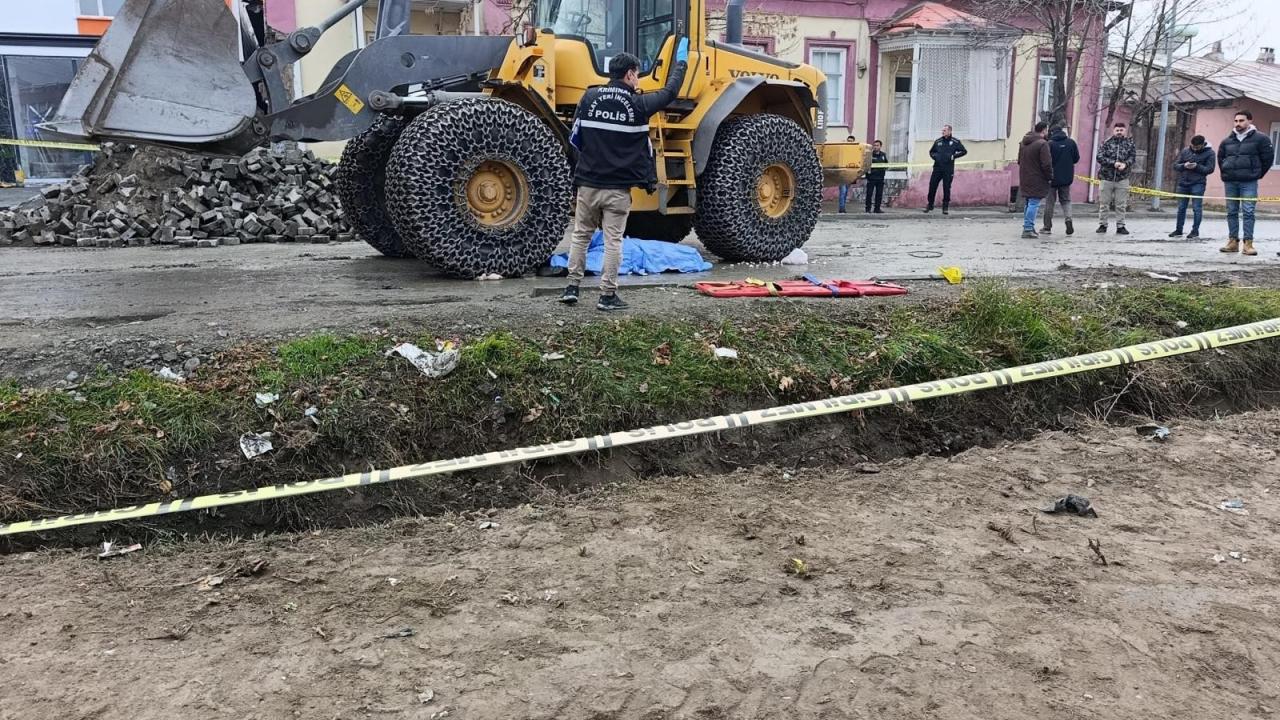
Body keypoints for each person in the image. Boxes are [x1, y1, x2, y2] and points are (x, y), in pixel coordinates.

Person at [560, 39, 689, 310]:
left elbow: (575, 140)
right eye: (637, 74)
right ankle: (607, 296)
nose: (638, 79)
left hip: (588, 185)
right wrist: (681, 63)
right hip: (618, 190)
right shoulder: (639, 104)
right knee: (613, 242)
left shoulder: (589, 98)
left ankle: (571, 288)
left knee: (581, 236)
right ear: (629, 74)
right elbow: (670, 92)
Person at [1217, 110, 1274, 256]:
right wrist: (1226, 172)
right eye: (1236, 121)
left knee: (1248, 211)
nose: (1238, 124)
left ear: (1250, 121)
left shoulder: (1261, 139)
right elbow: (1221, 158)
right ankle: (1232, 242)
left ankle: (1248, 244)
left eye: (1241, 121)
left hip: (1249, 181)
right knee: (1231, 211)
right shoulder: (1227, 141)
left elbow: (1268, 159)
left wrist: (1257, 174)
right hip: (1230, 181)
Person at [1169, 135, 1215, 239]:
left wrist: (1197, 166)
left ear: (1203, 145)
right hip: (1183, 183)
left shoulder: (1210, 153)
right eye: (1193, 146)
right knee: (1181, 208)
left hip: (1198, 184)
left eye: (1197, 147)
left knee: (1196, 208)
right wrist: (1184, 165)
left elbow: (1210, 169)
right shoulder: (1185, 150)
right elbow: (1175, 165)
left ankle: (1195, 231)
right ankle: (1178, 230)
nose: (1194, 149)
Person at [1095, 122, 1136, 235]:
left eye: (1121, 130)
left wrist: (1125, 164)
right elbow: (1099, 157)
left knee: (1121, 204)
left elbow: (1132, 157)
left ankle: (1120, 226)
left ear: (1125, 131)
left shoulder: (1130, 144)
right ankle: (1103, 225)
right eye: (1117, 130)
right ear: (1113, 131)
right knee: (1104, 204)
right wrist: (1113, 163)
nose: (1119, 132)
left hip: (1122, 178)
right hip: (1106, 177)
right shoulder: (1107, 143)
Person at [1041, 126, 1079, 235]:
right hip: (1066, 177)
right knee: (1066, 200)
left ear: (1051, 133)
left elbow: (1046, 161)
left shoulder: (1050, 144)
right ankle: (1068, 219)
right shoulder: (1071, 143)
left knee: (1050, 202)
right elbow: (1076, 158)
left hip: (1051, 178)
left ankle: (1047, 227)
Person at [1017, 122, 1053, 239]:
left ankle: (1028, 226)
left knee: (1029, 202)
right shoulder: (1042, 144)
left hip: (1025, 176)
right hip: (1038, 178)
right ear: (1044, 130)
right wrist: (1049, 176)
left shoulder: (1024, 143)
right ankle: (1028, 228)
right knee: (1034, 203)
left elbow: (1019, 161)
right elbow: (1046, 164)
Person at [924, 125, 966, 214]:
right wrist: (936, 157)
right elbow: (931, 152)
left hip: (948, 169)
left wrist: (953, 156)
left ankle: (945, 207)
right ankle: (930, 205)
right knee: (932, 186)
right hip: (937, 168)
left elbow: (964, 151)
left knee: (946, 187)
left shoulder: (955, 142)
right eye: (942, 130)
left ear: (950, 131)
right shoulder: (938, 141)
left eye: (944, 130)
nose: (942, 132)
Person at [865, 140, 887, 213]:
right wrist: (868, 176)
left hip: (880, 178)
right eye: (874, 145)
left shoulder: (883, 155)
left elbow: (886, 164)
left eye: (877, 145)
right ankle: (868, 209)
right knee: (869, 194)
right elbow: (866, 165)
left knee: (879, 194)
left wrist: (884, 169)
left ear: (880, 146)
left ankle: (877, 208)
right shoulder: (870, 155)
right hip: (871, 178)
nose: (875, 147)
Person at [837, 135, 857, 213]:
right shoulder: (843, 151)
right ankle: (841, 208)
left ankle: (843, 207)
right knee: (843, 191)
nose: (849, 143)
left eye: (851, 141)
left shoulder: (855, 152)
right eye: (848, 141)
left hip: (850, 174)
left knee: (845, 192)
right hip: (842, 174)